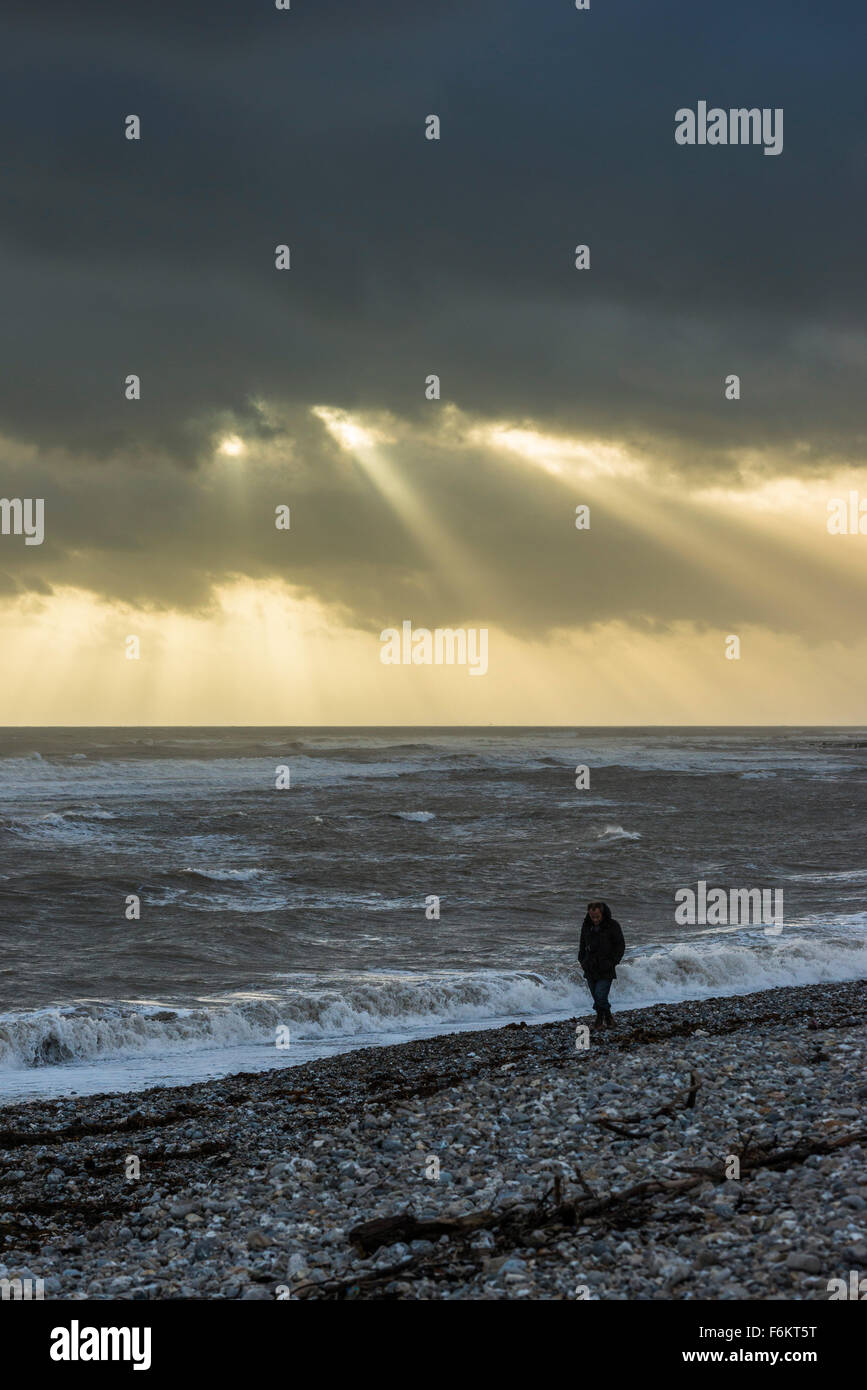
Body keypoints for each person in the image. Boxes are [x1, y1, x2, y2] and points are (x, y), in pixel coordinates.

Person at [578, 900, 625, 1030]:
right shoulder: (587, 925)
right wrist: (582, 960)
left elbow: (620, 946)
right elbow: (582, 944)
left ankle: (599, 1019)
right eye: (592, 917)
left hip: (606, 967)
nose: (595, 919)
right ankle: (609, 1017)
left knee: (600, 995)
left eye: (597, 916)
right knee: (596, 996)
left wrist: (613, 962)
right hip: (590, 967)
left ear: (602, 913)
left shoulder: (613, 925)